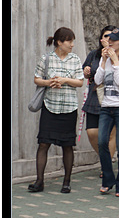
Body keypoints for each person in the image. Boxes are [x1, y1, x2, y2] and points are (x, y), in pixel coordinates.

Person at [29, 27, 84, 194]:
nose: (72, 45)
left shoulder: (75, 59)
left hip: (69, 107)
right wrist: (50, 82)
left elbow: (80, 82)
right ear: (59, 42)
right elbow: (37, 79)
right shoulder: (46, 59)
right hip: (49, 105)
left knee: (67, 145)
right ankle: (39, 181)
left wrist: (65, 80)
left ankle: (66, 182)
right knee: (43, 143)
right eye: (69, 41)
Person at [94, 27, 119, 198]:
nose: (110, 42)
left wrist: (114, 59)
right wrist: (103, 62)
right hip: (106, 106)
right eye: (109, 39)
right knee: (102, 141)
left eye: (114, 40)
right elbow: (97, 80)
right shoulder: (107, 59)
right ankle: (108, 180)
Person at [82, 25, 118, 170]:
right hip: (95, 96)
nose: (108, 40)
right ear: (101, 39)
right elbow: (86, 72)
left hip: (113, 96)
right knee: (92, 132)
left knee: (110, 134)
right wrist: (86, 71)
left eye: (111, 37)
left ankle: (106, 166)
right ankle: (106, 159)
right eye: (105, 36)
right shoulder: (94, 55)